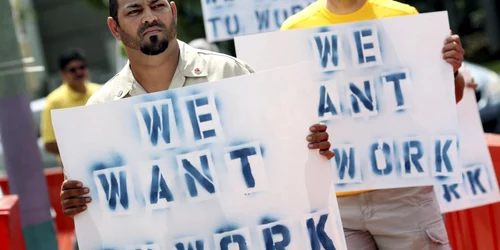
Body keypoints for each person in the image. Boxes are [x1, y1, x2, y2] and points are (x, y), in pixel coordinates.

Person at [59, 0, 335, 219]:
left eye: (158, 5)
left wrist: (309, 146)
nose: (149, 17)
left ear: (173, 12)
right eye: (134, 10)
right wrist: (79, 201)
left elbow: (281, 146)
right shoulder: (101, 109)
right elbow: (102, 195)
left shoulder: (230, 73)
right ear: (115, 28)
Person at [281, 0, 465, 249]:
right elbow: (286, 118)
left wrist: (450, 72)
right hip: (334, 198)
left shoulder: (403, 16)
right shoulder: (294, 30)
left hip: (403, 192)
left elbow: (448, 99)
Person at [41, 48, 101, 162]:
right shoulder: (54, 101)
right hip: (74, 168)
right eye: (72, 70)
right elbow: (49, 143)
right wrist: (82, 150)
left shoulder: (100, 92)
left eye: (82, 67)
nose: (79, 72)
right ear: (63, 74)